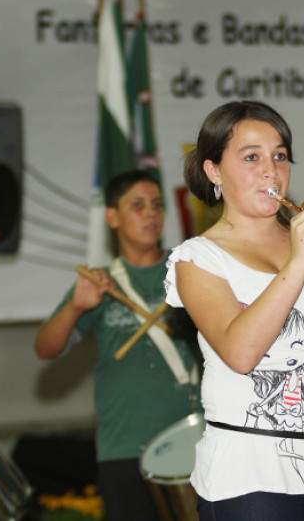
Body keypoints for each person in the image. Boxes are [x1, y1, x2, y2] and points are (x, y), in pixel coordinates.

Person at [165, 100, 304, 520]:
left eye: (280, 156)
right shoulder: (196, 258)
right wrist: (300, 260)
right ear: (214, 171)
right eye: (251, 157)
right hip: (250, 473)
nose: (271, 171)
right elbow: (241, 352)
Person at [35, 169, 199, 521]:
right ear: (112, 216)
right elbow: (46, 348)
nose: (151, 214)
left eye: (156, 205)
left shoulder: (190, 269)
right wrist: (76, 306)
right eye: (137, 205)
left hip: (197, 438)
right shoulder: (99, 283)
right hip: (125, 448)